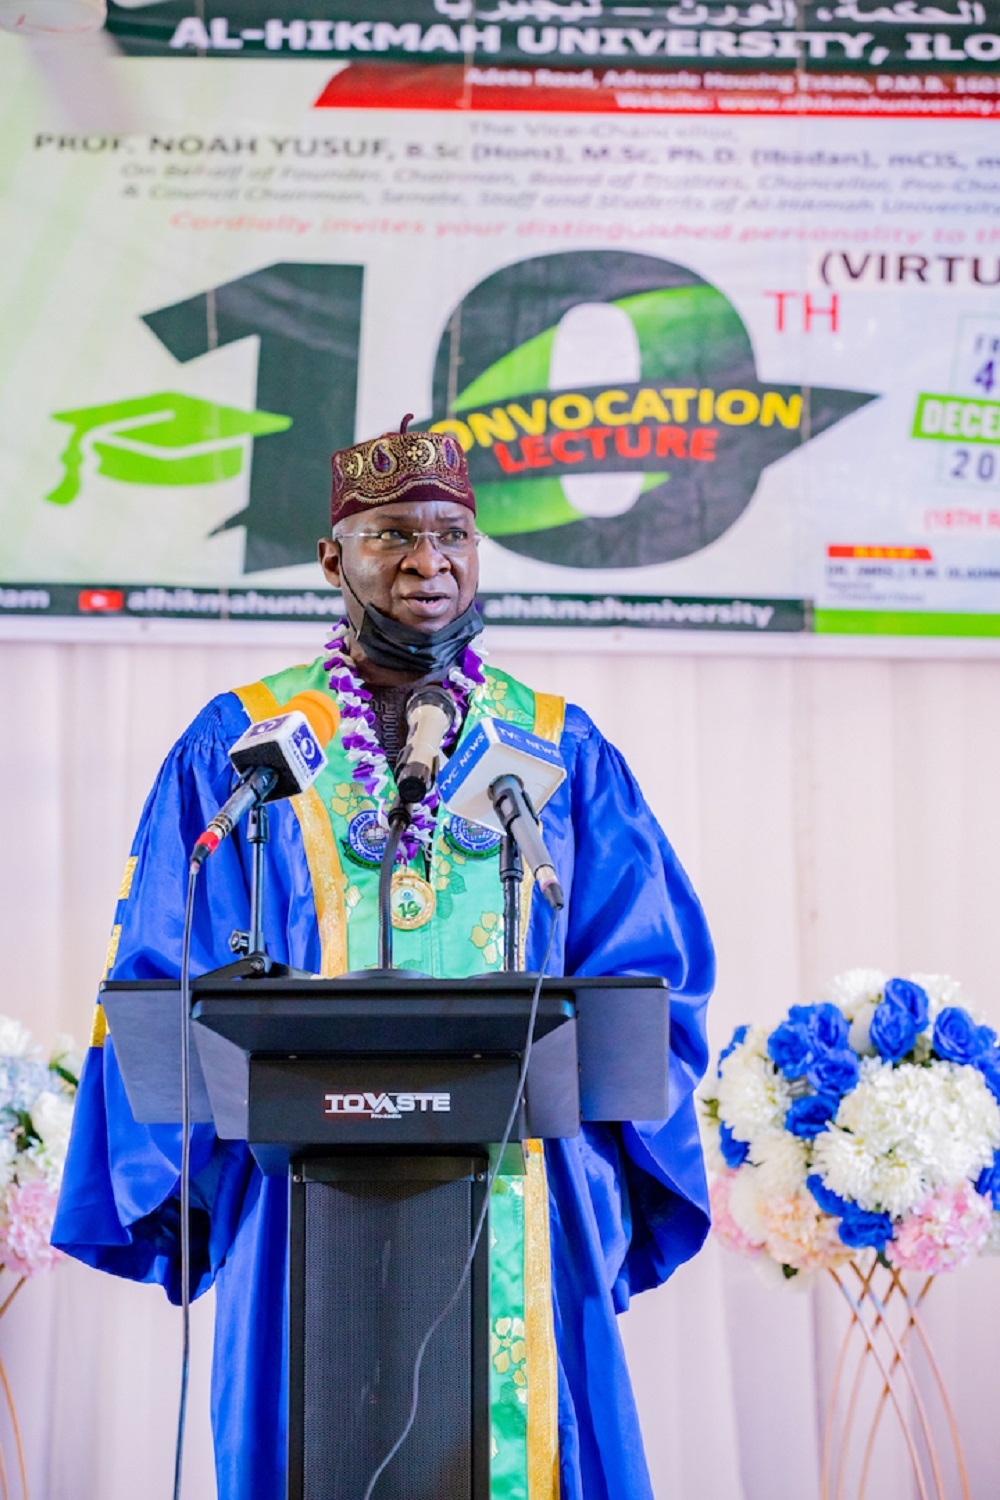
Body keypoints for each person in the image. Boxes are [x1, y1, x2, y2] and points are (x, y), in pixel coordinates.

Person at [53, 420, 715, 1500]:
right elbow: (160, 966)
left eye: (451, 535)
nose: (428, 563)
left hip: (519, 1192)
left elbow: (651, 974)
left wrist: (603, 1145)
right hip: (299, 1193)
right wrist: (187, 1174)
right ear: (333, 559)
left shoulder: (553, 747)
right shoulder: (246, 744)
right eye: (393, 536)